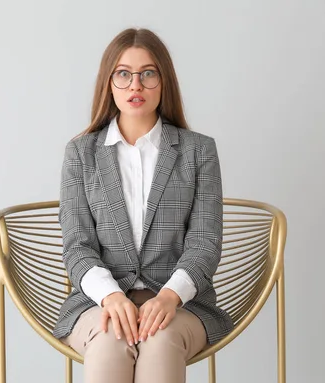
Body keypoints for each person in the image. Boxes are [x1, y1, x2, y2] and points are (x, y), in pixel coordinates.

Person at [53, 27, 233, 383]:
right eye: (124, 74)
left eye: (148, 73)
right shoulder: (80, 154)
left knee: (160, 339)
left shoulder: (199, 151)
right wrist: (110, 297)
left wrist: (169, 298)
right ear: (109, 82)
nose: (136, 85)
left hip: (181, 303)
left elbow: (204, 243)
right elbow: (78, 247)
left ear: (164, 81)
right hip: (97, 303)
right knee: (110, 340)